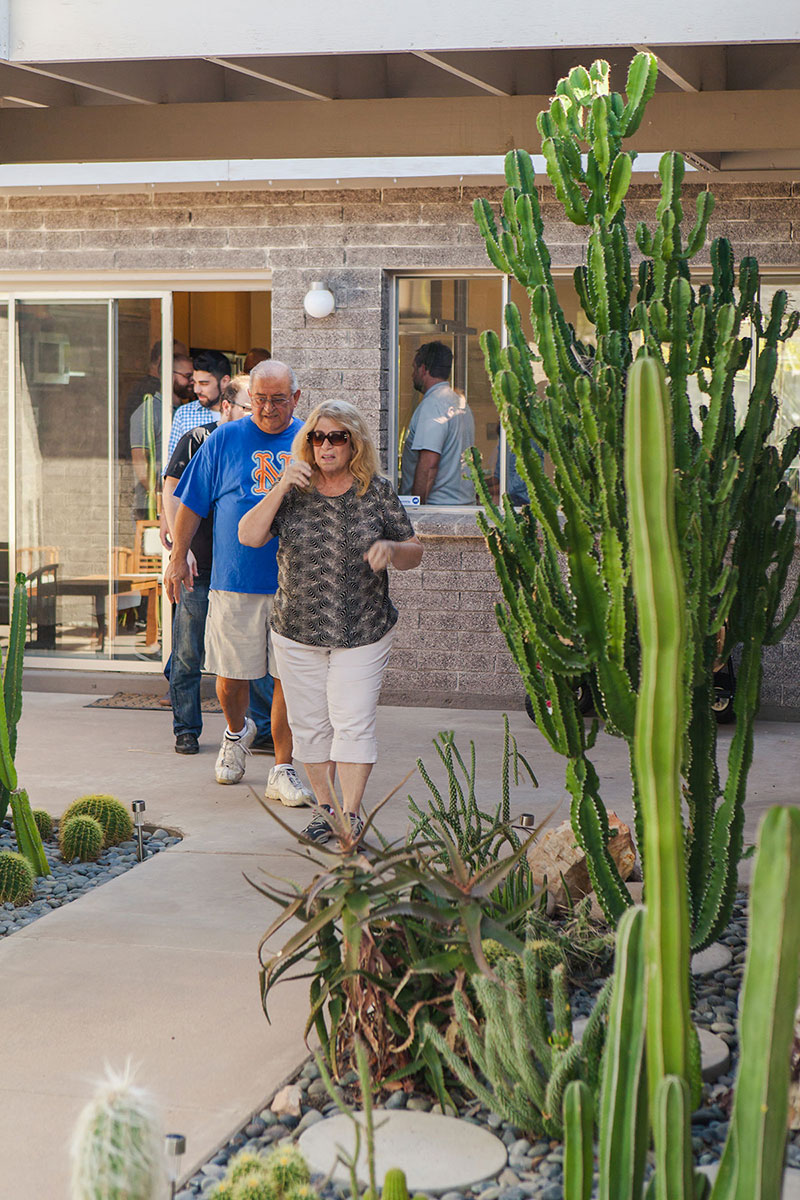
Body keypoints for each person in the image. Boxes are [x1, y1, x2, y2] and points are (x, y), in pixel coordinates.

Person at [239, 399, 423, 845]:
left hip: (362, 629)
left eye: (336, 437)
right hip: (297, 630)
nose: (325, 446)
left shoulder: (375, 492)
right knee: (309, 727)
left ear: (353, 443)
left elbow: (413, 550)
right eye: (317, 437)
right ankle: (325, 810)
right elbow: (248, 535)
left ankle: (352, 815)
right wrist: (281, 485)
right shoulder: (294, 490)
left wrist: (392, 552)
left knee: (353, 721)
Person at [164, 359, 312, 807]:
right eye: (260, 399)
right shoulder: (225, 438)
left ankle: (282, 768)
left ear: (296, 399)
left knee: (287, 679)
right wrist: (176, 558)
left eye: (278, 400)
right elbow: (191, 502)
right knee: (231, 678)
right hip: (234, 579)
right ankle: (236, 732)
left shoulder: (312, 439)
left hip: (295, 583)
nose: (267, 409)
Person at [162, 375, 274, 756]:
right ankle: (187, 728)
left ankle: (259, 731)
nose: (258, 411)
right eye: (251, 403)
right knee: (188, 651)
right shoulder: (201, 439)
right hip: (202, 564)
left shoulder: (277, 441)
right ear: (228, 406)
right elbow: (175, 492)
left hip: (246, 573)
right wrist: (182, 550)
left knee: (252, 661)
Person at [399, 341, 476, 505]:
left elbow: (429, 465)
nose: (412, 374)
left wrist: (417, 507)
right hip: (463, 505)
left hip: (438, 507)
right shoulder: (460, 403)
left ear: (423, 369)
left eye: (414, 368)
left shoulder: (433, 405)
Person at [129, 350, 194, 522]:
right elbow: (140, 462)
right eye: (187, 376)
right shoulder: (148, 412)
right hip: (152, 507)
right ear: (169, 375)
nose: (192, 382)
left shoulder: (187, 412)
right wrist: (161, 497)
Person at [165, 349, 232, 464]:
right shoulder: (184, 414)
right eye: (194, 382)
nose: (196, 390)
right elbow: (171, 467)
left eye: (204, 383)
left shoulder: (242, 412)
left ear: (225, 381)